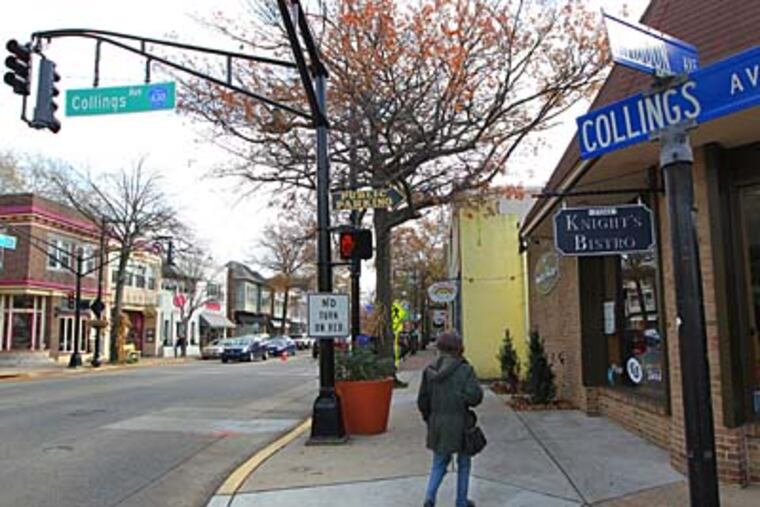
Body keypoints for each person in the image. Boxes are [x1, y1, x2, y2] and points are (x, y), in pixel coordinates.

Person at [417, 331, 483, 507]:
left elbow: (422, 401)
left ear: (439, 348)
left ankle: (429, 498)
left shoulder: (429, 372)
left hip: (438, 423)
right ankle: (461, 502)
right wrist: (461, 397)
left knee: (439, 462)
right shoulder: (465, 370)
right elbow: (475, 397)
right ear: (459, 349)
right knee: (464, 463)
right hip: (461, 424)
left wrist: (429, 418)